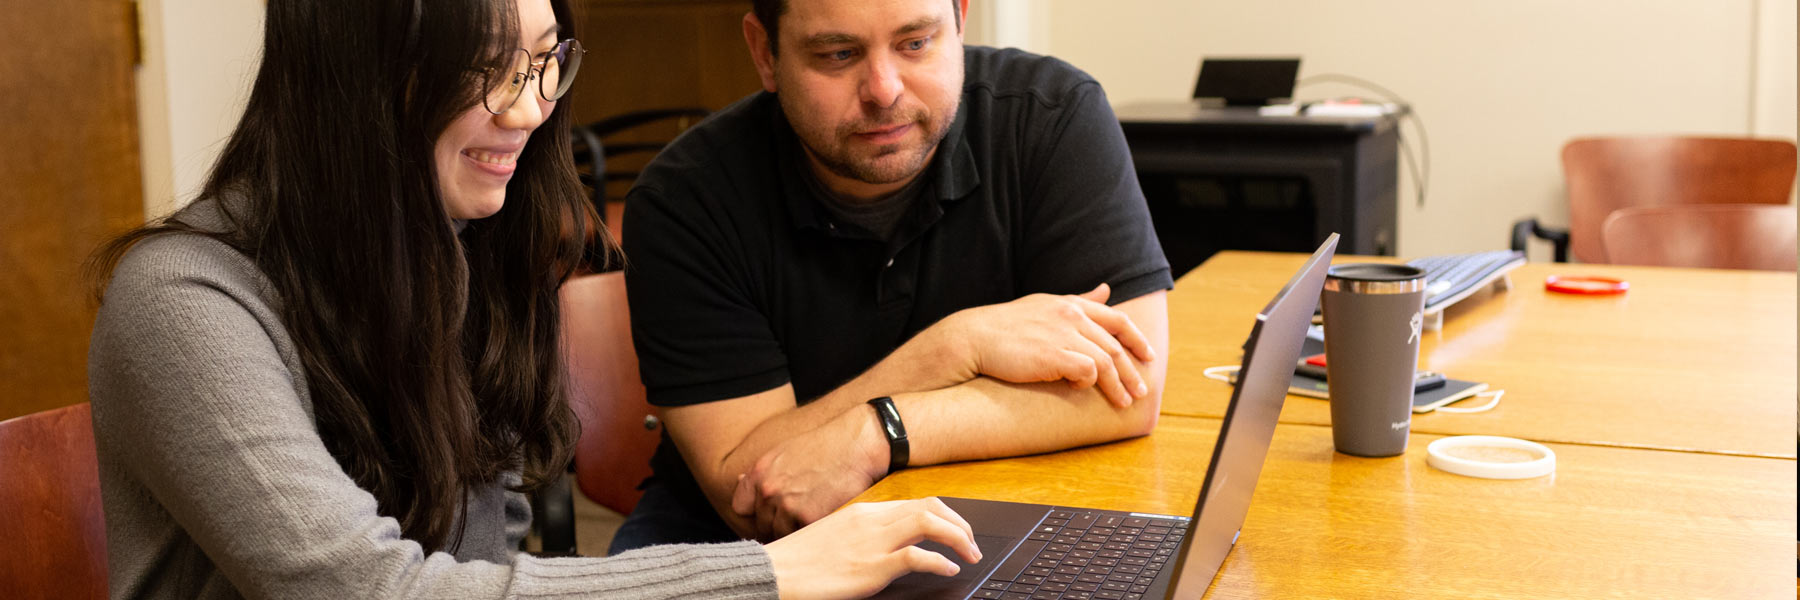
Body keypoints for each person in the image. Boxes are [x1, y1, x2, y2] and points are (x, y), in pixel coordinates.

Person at [85, 0, 980, 597]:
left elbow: (486, 558)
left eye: (545, 61)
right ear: (349, 83)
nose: (528, 109)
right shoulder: (183, 304)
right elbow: (371, 589)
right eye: (486, 70)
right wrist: (771, 576)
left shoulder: (461, 252)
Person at [611, 0, 1172, 552]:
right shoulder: (685, 200)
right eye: (837, 54)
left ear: (960, 22)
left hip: (993, 496)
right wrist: (955, 347)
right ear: (765, 53)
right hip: (740, 545)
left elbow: (1128, 392)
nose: (884, 89)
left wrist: (879, 432)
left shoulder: (1050, 114)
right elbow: (751, 491)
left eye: (916, 43)